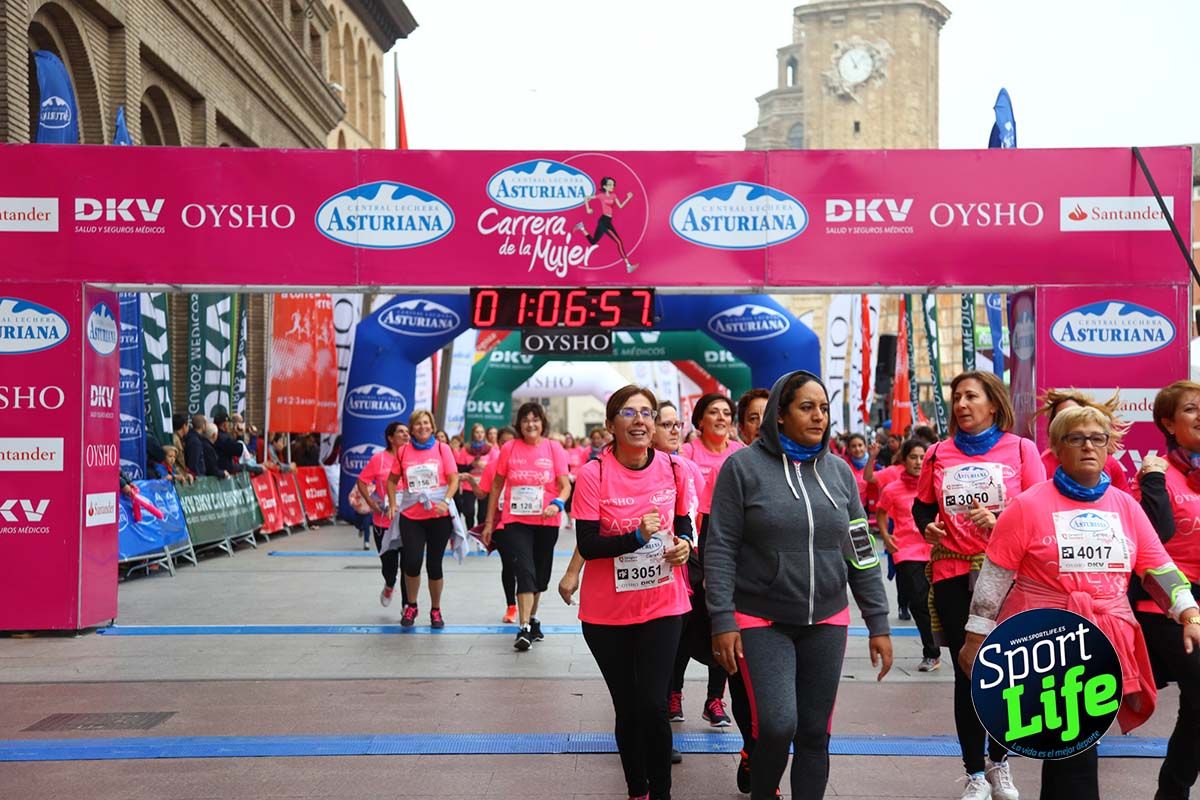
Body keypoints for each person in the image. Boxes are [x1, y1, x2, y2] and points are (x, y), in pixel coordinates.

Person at [958, 405, 1200, 800]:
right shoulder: (1027, 506)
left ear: (1109, 448)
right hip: (1044, 643)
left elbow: (1158, 568)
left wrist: (1188, 612)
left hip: (1106, 642)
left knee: (1072, 751)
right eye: (1076, 438)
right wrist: (975, 637)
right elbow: (995, 577)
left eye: (1097, 438)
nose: (1088, 445)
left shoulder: (1125, 507)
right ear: (1056, 447)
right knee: (1075, 749)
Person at [706, 369, 893, 800]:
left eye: (824, 408)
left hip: (827, 619)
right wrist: (722, 619)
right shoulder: (742, 468)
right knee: (776, 724)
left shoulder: (841, 474)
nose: (819, 417)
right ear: (780, 415)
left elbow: (860, 550)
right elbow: (720, 548)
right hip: (760, 617)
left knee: (814, 733)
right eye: (806, 407)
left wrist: (878, 622)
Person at [911, 371, 1045, 800]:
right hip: (953, 575)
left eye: (971, 396)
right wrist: (929, 529)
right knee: (967, 671)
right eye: (957, 397)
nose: (962, 404)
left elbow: (1040, 514)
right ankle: (973, 772)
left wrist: (1002, 521)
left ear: (994, 403)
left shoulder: (1022, 450)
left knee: (1007, 673)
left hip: (1007, 578)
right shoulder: (937, 453)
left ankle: (999, 762)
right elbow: (921, 510)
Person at [572, 385, 694, 800]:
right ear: (611, 425)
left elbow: (684, 524)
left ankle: (661, 793)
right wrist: (635, 537)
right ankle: (636, 791)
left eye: (647, 413)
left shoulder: (674, 469)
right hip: (607, 616)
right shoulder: (594, 473)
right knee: (628, 708)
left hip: (663, 605)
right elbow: (588, 544)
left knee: (654, 706)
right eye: (629, 412)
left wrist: (685, 546)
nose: (640, 420)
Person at [1132, 380, 1200, 800]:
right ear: (1168, 423)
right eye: (1192, 409)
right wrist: (1154, 484)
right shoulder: (1157, 472)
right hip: (1167, 603)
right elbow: (1154, 536)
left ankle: (1171, 793)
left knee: (1197, 705)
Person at [482, 402, 571, 650]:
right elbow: (496, 486)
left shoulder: (554, 448)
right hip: (515, 521)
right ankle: (523, 628)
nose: (530, 424)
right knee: (524, 569)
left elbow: (566, 486)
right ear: (519, 425)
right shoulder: (510, 448)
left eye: (535, 419)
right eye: (525, 420)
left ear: (542, 422)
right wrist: (490, 521)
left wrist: (557, 503)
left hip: (546, 520)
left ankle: (533, 617)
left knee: (540, 574)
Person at [679, 392, 744, 728]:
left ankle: (715, 700)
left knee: (723, 621)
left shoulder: (741, 455)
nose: (721, 418)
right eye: (713, 412)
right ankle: (673, 693)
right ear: (700, 420)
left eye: (726, 413)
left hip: (729, 550)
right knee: (684, 624)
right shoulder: (686, 454)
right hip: (692, 549)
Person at [386, 410, 460, 629]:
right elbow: (391, 482)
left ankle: (435, 610)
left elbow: (454, 480)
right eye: (417, 424)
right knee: (412, 562)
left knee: (434, 565)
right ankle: (412, 605)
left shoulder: (442, 448)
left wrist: (445, 501)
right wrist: (392, 504)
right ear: (411, 428)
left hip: (439, 515)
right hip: (412, 516)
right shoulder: (403, 451)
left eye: (426, 423)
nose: (422, 427)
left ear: (432, 426)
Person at [876, 438, 939, 671]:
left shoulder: (935, 486)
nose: (918, 462)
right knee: (919, 602)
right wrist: (886, 535)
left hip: (936, 550)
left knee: (939, 603)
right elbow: (881, 512)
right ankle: (931, 653)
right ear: (904, 459)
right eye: (913, 457)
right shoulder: (892, 489)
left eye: (923, 457)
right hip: (906, 551)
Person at [355, 421, 411, 610]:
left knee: (408, 566)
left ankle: (407, 605)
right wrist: (372, 504)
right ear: (390, 437)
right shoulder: (379, 459)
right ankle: (389, 584)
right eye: (401, 432)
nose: (406, 435)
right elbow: (362, 482)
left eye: (407, 432)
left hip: (410, 521)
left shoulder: (414, 458)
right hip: (384, 521)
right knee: (389, 565)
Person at [1036, 388, 1130, 492]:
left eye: (1076, 414)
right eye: (1062, 417)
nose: (1088, 446)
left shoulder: (1110, 464)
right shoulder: (1042, 464)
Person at [475, 426, 518, 622]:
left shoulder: (525, 464)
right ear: (498, 444)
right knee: (508, 564)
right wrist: (470, 481)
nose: (507, 446)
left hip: (525, 521)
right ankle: (511, 606)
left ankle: (526, 603)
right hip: (501, 524)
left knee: (524, 566)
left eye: (511, 442)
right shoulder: (492, 466)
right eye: (503, 442)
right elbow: (483, 493)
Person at [572, 176, 638, 274]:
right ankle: (628, 265)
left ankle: (581, 227)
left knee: (593, 242)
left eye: (613, 185)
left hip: (607, 221)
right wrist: (588, 209)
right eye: (610, 185)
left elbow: (620, 206)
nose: (612, 186)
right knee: (619, 242)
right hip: (604, 221)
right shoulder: (601, 196)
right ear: (604, 186)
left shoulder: (614, 196)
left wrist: (628, 198)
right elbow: (586, 197)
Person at [456, 423, 493, 529]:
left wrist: (486, 466)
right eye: (477, 432)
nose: (480, 435)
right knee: (469, 511)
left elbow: (496, 466)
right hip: (469, 485)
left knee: (482, 513)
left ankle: (481, 534)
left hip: (484, 485)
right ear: (473, 434)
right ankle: (470, 530)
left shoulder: (489, 449)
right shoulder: (466, 449)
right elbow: (460, 468)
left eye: (482, 432)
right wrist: (471, 465)